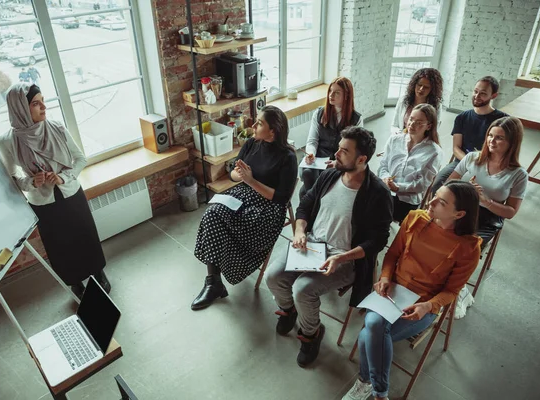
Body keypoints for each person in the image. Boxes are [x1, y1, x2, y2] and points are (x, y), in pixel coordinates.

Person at [266, 126, 393, 368]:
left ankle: (311, 334)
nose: (336, 154)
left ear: (362, 159)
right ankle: (288, 311)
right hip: (311, 245)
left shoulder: (377, 193)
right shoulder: (329, 176)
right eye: (338, 148)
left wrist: (344, 257)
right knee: (273, 277)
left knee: (303, 289)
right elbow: (305, 204)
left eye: (344, 151)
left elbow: (378, 240)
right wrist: (300, 231)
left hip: (343, 258)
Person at [342, 180, 481, 400]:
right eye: (435, 195)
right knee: (374, 327)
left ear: (459, 214)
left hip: (423, 304)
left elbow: (451, 291)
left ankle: (366, 383)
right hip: (393, 290)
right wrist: (385, 276)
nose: (432, 201)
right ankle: (380, 393)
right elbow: (392, 255)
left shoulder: (469, 248)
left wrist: (428, 306)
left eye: (441, 202)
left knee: (370, 331)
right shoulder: (416, 218)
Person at [0, 83, 110, 299]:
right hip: (43, 203)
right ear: (20, 108)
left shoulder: (56, 127)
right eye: (35, 103)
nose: (43, 107)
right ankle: (74, 282)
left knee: (85, 235)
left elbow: (80, 159)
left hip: (70, 193)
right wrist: (32, 182)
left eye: (43, 101)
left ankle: (98, 273)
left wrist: (63, 177)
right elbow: (11, 178)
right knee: (60, 246)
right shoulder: (7, 141)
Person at [191, 105, 298, 310]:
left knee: (236, 222)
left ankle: (223, 274)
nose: (253, 125)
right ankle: (213, 282)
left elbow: (281, 198)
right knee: (212, 213)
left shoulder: (288, 158)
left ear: (273, 131)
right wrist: (239, 176)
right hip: (244, 194)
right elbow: (232, 174)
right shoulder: (251, 144)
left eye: (259, 123)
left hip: (268, 208)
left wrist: (250, 181)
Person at [447, 116, 528, 318]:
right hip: (463, 207)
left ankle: (460, 291)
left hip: (489, 217)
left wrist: (486, 200)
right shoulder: (473, 158)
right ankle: (440, 282)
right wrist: (466, 189)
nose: (492, 141)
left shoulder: (518, 174)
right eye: (490, 135)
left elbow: (510, 212)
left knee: (467, 248)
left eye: (499, 138)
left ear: (512, 142)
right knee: (439, 239)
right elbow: (449, 184)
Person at [431, 76, 508, 195]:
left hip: (490, 165)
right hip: (462, 161)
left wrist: (481, 167)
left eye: (483, 93)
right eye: (475, 91)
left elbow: (505, 149)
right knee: (439, 184)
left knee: (482, 192)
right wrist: (470, 164)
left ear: (493, 96)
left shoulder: (502, 120)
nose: (477, 96)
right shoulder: (462, 117)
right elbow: (456, 148)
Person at [300, 77, 363, 199]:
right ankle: (315, 203)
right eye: (330, 91)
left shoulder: (356, 119)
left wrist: (337, 162)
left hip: (340, 160)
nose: (331, 95)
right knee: (308, 173)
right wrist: (310, 153)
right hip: (318, 158)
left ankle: (313, 203)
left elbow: (356, 150)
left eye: (336, 92)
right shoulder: (319, 113)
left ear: (346, 96)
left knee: (311, 188)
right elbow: (312, 141)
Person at [378, 104, 443, 222]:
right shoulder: (394, 140)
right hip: (386, 191)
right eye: (411, 119)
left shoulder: (434, 152)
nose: (412, 124)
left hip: (407, 200)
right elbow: (383, 165)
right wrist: (386, 178)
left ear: (428, 126)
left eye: (419, 122)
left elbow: (423, 184)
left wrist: (399, 188)